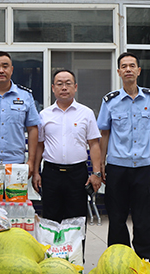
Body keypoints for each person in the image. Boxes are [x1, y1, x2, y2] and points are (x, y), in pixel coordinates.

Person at [97, 52, 150, 261]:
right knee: (117, 217)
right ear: (118, 72)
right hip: (117, 167)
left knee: (143, 217)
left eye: (132, 66)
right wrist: (101, 162)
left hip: (144, 167)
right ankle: (120, 259)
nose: (128, 69)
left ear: (138, 71)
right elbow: (104, 133)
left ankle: (144, 259)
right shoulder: (110, 101)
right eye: (124, 66)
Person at [33, 69, 102, 225]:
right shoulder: (44, 114)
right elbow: (39, 145)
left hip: (78, 175)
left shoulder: (86, 113)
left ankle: (76, 251)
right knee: (51, 219)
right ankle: (52, 250)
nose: (64, 87)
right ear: (53, 88)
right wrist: (36, 172)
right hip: (51, 174)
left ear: (75, 87)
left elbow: (94, 144)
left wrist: (96, 173)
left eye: (68, 83)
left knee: (77, 219)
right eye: (59, 84)